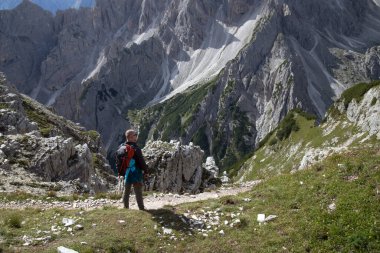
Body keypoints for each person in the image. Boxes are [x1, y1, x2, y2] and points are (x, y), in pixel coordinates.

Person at [116, 129, 148, 210]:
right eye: (135, 135)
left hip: (127, 172)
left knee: (126, 190)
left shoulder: (121, 147)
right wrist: (146, 170)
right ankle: (141, 208)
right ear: (130, 137)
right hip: (136, 172)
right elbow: (141, 161)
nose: (136, 136)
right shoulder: (136, 148)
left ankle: (125, 207)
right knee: (138, 191)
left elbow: (118, 161)